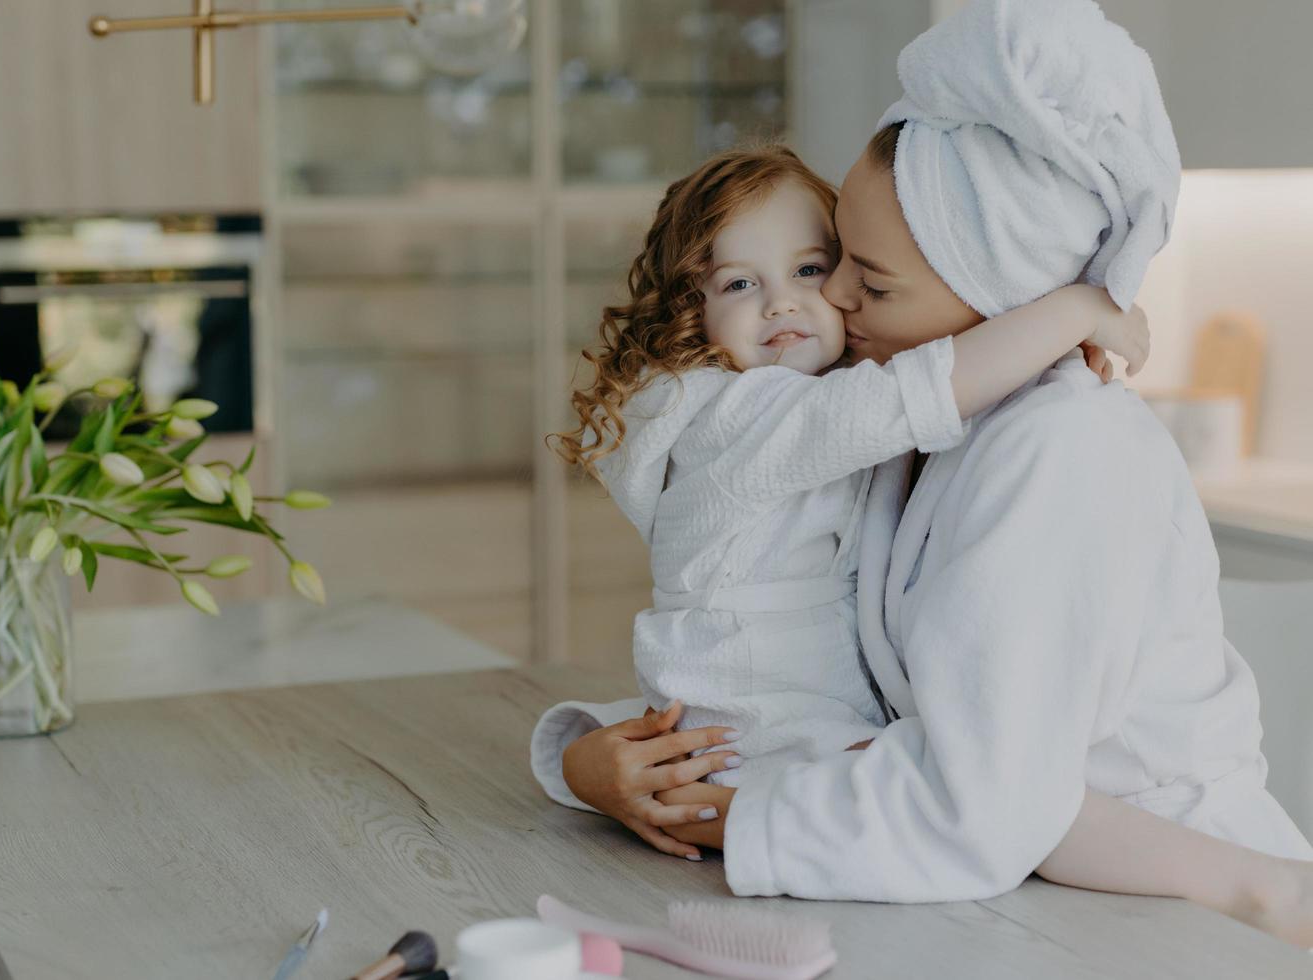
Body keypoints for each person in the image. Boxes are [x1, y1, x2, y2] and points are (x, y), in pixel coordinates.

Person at [533, 0, 1313, 947]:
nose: (832, 301)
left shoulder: (1054, 452)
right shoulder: (893, 441)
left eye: (859, 274)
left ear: (991, 289)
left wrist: (718, 812)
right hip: (1003, 883)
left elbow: (976, 805)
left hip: (1173, 921)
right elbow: (756, 662)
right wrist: (594, 759)